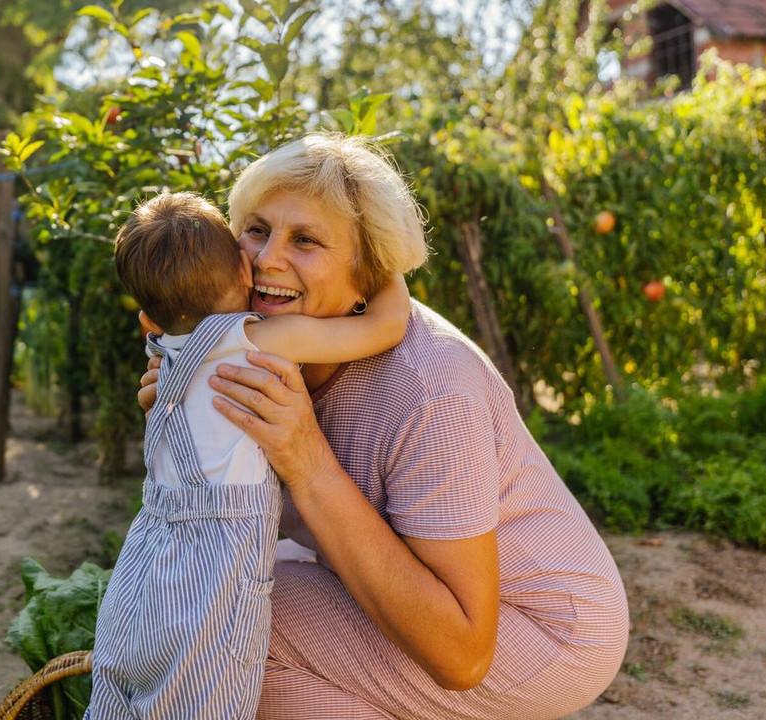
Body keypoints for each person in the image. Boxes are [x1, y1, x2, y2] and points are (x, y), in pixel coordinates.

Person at [137, 134, 629, 719]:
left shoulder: (431, 390)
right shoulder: (251, 350)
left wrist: (306, 458)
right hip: (424, 600)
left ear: (365, 274)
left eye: (307, 240)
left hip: (538, 635)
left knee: (229, 625)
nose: (267, 258)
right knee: (202, 613)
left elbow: (462, 654)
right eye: (256, 229)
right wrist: (187, 424)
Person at [86, 191, 410, 720]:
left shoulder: (162, 349)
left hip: (150, 554)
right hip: (219, 564)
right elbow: (386, 326)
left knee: (127, 679)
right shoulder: (259, 339)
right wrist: (384, 264)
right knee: (209, 694)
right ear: (245, 269)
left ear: (148, 317)